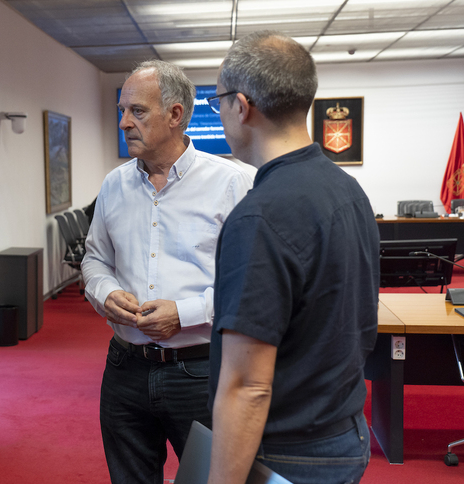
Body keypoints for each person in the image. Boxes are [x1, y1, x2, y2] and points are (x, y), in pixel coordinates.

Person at [207, 31, 379, 484]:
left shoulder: (260, 216)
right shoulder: (346, 189)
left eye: (218, 102)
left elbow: (248, 386)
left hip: (287, 455)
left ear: (241, 106)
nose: (222, 114)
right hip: (344, 431)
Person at [81, 59, 254, 483]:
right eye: (121, 111)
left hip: (202, 370)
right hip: (125, 369)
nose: (123, 123)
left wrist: (186, 312)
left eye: (136, 111)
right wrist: (105, 293)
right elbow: (94, 260)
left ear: (175, 115)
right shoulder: (113, 185)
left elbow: (253, 285)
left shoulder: (234, 184)